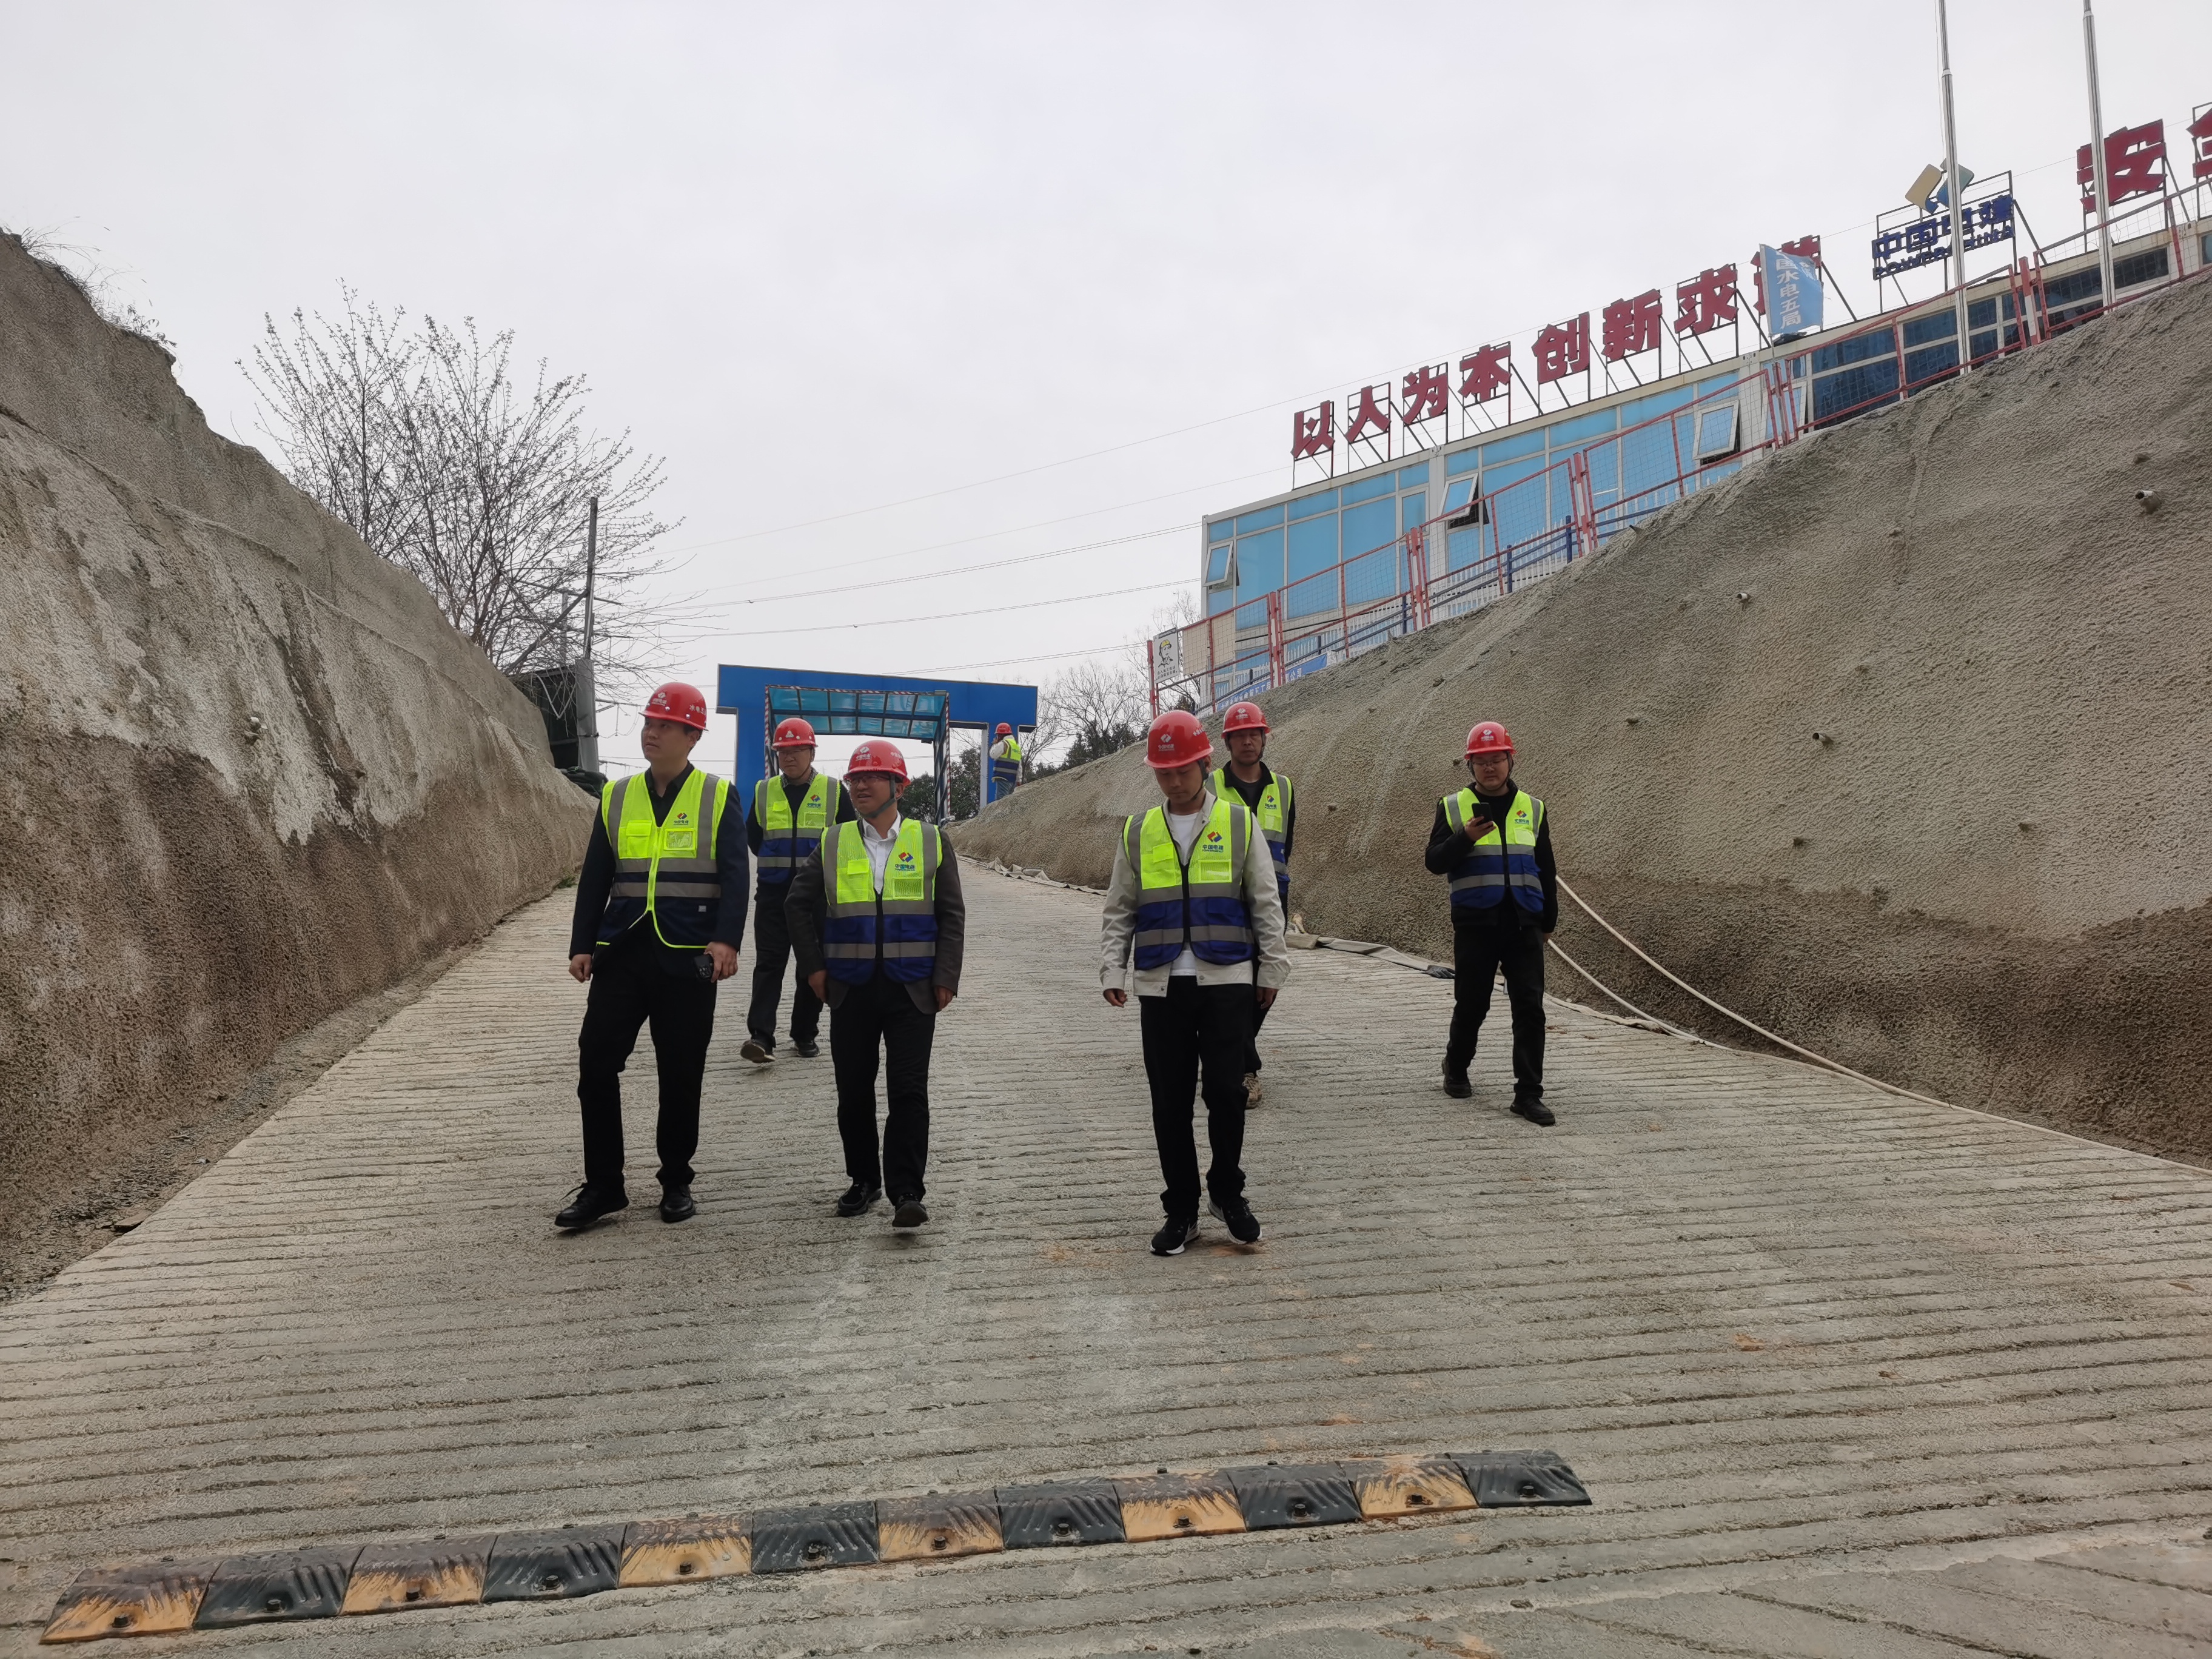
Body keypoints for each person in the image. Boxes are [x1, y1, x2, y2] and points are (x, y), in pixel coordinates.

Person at [558, 682, 747, 1230]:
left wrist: (727, 940)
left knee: (681, 1072)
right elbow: (596, 875)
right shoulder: (617, 796)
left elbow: (736, 876)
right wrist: (582, 944)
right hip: (622, 952)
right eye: (649, 723)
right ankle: (604, 1186)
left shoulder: (717, 795)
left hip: (689, 955)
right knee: (596, 1062)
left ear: (692, 736)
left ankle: (676, 1179)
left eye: (665, 725)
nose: (652, 732)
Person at [1100, 709, 1290, 1257]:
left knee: (1227, 1093)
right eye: (1164, 772)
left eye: (1182, 770)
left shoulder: (1238, 822)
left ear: (1205, 764)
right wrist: (1113, 968)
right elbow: (1120, 908)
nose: (1174, 781)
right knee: (1170, 1101)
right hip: (1161, 985)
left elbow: (1264, 900)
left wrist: (1272, 968)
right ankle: (1180, 1209)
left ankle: (1227, 1194)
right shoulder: (1138, 831)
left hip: (1227, 978)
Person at [786, 739, 965, 1229]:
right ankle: (863, 1180)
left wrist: (946, 975)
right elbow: (796, 905)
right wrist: (814, 967)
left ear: (898, 787)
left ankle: (907, 1190)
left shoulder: (931, 841)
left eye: (871, 777)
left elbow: (951, 913)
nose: (860, 785)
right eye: (855, 778)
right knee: (853, 1092)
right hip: (850, 987)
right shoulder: (833, 841)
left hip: (914, 989)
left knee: (908, 1091)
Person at [1424, 720, 1558, 1127]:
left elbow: (1546, 867)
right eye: (1481, 761)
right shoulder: (1453, 806)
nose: (1490, 767)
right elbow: (1435, 862)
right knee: (1473, 1004)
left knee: (1530, 1009)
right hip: (1476, 924)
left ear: (1510, 760)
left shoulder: (1533, 808)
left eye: (1497, 758)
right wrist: (1465, 837)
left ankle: (1528, 1094)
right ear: (1470, 765)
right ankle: (1456, 1067)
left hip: (1523, 922)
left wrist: (1548, 920)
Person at [740, 716, 854, 1065]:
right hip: (773, 895)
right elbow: (754, 838)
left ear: (811, 752)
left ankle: (804, 1034)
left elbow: (849, 840)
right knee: (769, 965)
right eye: (782, 751)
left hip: (816, 898)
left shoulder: (834, 792)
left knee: (811, 965)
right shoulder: (764, 791)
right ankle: (761, 1037)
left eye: (796, 750)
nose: (788, 757)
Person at [1208, 700, 1293, 1105]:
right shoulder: (1210, 786)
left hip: (1272, 897)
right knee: (1234, 989)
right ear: (1227, 742)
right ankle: (1245, 1068)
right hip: (1225, 900)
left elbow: (1286, 843)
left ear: (1264, 738)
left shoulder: (1284, 788)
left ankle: (1228, 1053)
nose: (1247, 742)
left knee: (1266, 985)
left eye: (1254, 734)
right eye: (1239, 736)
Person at [988, 721, 1023, 802]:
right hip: (1012, 780)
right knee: (1008, 802)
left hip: (1003, 778)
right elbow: (1019, 766)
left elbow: (993, 754)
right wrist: (1019, 780)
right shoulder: (1016, 747)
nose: (997, 737)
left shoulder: (1003, 744)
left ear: (1001, 735)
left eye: (998, 735)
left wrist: (995, 744)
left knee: (1001, 802)